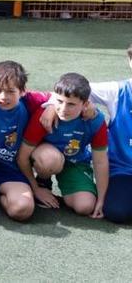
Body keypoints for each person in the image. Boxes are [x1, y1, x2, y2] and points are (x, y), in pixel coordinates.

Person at [18, 72, 108, 218]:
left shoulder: (96, 121)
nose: (63, 109)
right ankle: (43, 181)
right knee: (49, 160)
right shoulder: (44, 115)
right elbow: (22, 157)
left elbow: (101, 161)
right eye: (59, 101)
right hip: (47, 157)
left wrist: (101, 200)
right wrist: (35, 189)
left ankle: (75, 185)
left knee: (85, 207)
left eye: (71, 104)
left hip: (75, 161)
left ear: (85, 104)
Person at [0, 60, 50, 222]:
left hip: (9, 171)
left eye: (10, 92)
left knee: (23, 210)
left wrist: (51, 106)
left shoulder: (30, 101)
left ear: (22, 91)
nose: (3, 97)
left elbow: (60, 96)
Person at [87, 44, 132, 223]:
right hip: (124, 170)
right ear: (130, 61)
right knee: (116, 212)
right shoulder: (118, 91)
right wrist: (51, 107)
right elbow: (77, 89)